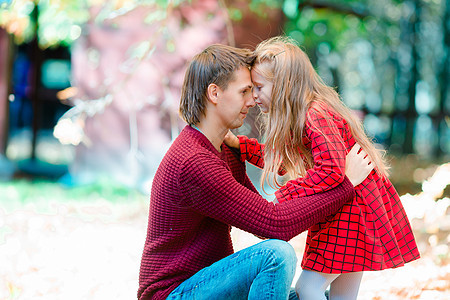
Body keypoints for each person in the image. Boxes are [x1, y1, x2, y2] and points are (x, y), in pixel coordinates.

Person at [137, 44, 373, 300]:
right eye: (244, 91)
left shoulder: (223, 149)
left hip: (210, 285)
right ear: (214, 93)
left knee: (318, 297)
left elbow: (261, 213)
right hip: (174, 294)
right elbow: (274, 224)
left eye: (254, 90)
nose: (252, 101)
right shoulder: (194, 162)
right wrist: (345, 185)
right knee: (276, 254)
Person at [225, 36, 420, 300]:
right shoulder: (306, 114)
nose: (255, 96)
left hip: (350, 211)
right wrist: (241, 146)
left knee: (308, 288)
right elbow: (281, 161)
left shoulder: (315, 113)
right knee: (342, 295)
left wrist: (289, 194)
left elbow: (330, 171)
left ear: (284, 85)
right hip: (354, 206)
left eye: (259, 87)